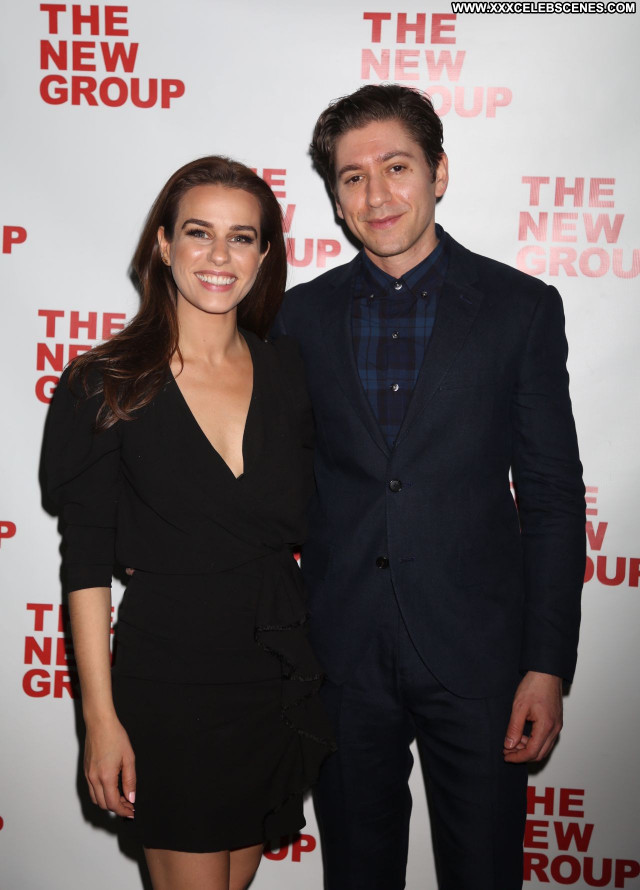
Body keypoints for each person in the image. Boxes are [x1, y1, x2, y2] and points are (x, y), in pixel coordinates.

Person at [272, 85, 586, 890]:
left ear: (439, 172)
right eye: (352, 177)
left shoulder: (520, 309)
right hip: (341, 657)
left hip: (481, 660)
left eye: (397, 167)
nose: (376, 194)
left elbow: (552, 497)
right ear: (335, 198)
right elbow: (270, 482)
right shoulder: (297, 319)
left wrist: (547, 665)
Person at [44, 156, 333, 890]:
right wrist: (100, 719)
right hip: (170, 684)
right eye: (199, 233)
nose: (219, 256)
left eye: (242, 237)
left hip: (272, 678)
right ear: (164, 244)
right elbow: (85, 565)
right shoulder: (105, 382)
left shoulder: (290, 373)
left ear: (264, 255)